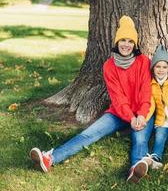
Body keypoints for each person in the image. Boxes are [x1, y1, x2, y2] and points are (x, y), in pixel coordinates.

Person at [30, 15, 155, 183]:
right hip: (118, 112)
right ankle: (49, 159)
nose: (126, 44)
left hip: (143, 110)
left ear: (135, 44)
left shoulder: (143, 61)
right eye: (123, 40)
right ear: (117, 42)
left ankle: (136, 169)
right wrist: (130, 117)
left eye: (130, 41)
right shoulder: (109, 66)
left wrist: (140, 115)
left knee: (140, 138)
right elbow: (117, 98)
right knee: (89, 134)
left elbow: (146, 92)